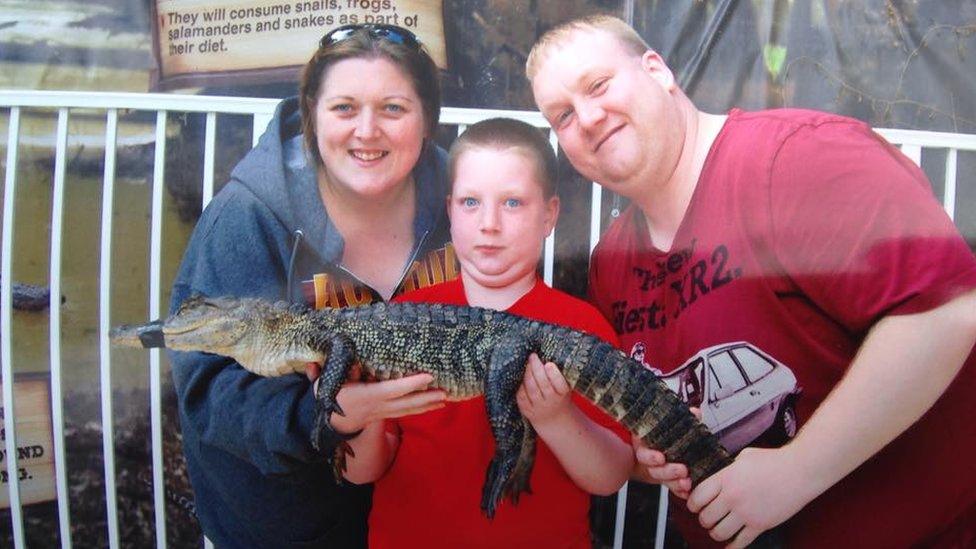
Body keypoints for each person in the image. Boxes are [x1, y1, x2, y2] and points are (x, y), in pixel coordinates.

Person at [526, 14, 976, 548]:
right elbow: (645, 437)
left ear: (657, 70)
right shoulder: (612, 261)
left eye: (598, 86)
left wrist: (795, 471)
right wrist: (651, 457)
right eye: (563, 116)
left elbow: (948, 311)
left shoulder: (796, 159)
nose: (589, 118)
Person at [168, 24, 455, 548]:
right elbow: (207, 389)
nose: (367, 131)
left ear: (427, 120)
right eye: (344, 108)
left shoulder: (466, 198)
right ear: (310, 115)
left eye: (393, 108)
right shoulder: (247, 217)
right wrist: (324, 412)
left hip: (430, 512)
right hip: (293, 524)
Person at [340, 117, 635, 548]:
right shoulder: (401, 317)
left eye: (513, 203)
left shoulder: (580, 327)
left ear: (549, 214)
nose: (489, 223)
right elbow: (362, 470)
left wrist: (554, 417)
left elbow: (610, 477)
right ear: (450, 210)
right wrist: (361, 412)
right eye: (471, 202)